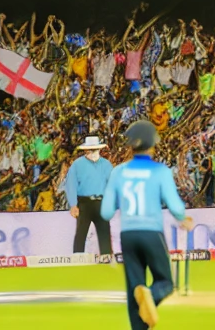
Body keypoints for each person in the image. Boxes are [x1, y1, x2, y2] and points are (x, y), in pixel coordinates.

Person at [100, 121, 193, 330]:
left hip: (128, 235)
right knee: (165, 283)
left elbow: (106, 212)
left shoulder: (118, 172)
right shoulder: (160, 171)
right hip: (152, 233)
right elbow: (175, 205)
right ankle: (151, 294)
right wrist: (183, 218)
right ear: (153, 144)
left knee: (135, 288)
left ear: (130, 145)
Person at [64, 135, 114, 254]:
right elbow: (71, 185)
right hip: (84, 203)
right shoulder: (77, 164)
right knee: (81, 232)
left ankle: (106, 258)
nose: (92, 152)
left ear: (99, 150)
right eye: (90, 150)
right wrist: (73, 205)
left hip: (101, 202)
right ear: (86, 150)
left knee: (104, 232)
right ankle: (78, 258)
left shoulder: (106, 165)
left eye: (95, 149)